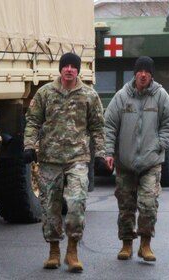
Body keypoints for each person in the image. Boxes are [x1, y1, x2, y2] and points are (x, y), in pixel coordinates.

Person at [24, 52, 106, 272]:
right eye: (65, 66)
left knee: (77, 202)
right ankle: (53, 250)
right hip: (49, 160)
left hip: (77, 159)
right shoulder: (45, 93)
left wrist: (100, 154)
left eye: (73, 66)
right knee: (50, 207)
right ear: (60, 69)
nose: (69, 69)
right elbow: (32, 121)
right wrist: (29, 146)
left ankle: (72, 250)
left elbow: (98, 128)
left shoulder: (89, 95)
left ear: (78, 70)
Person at [104, 56, 169, 262]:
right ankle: (126, 244)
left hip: (150, 162)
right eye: (139, 71)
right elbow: (109, 125)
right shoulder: (122, 96)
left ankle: (145, 245)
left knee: (148, 204)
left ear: (151, 75)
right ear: (135, 74)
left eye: (147, 71)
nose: (143, 75)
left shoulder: (160, 96)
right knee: (126, 206)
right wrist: (109, 152)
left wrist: (159, 145)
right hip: (125, 163)